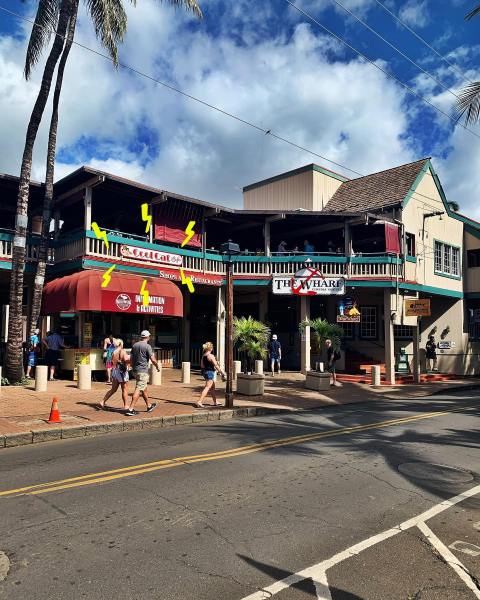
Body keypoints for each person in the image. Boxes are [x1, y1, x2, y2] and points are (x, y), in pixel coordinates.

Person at [126, 330, 160, 416]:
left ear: (141, 337)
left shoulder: (135, 345)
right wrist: (157, 366)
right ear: (148, 337)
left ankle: (149, 406)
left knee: (143, 388)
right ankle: (130, 409)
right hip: (142, 371)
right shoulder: (147, 346)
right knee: (138, 388)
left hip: (135, 370)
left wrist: (131, 366)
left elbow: (131, 358)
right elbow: (152, 359)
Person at [99, 339, 130, 410]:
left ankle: (103, 401)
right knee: (124, 389)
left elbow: (112, 363)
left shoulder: (113, 352)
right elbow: (126, 360)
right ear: (121, 344)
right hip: (121, 372)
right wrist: (130, 361)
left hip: (115, 371)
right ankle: (126, 405)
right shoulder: (122, 351)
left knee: (113, 389)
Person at [196, 342, 225, 409]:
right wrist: (221, 372)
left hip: (205, 372)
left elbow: (202, 366)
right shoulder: (211, 356)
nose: (212, 348)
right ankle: (199, 401)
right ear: (210, 348)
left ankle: (215, 401)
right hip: (209, 372)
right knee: (207, 387)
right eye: (212, 347)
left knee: (212, 387)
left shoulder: (204, 356)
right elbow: (216, 365)